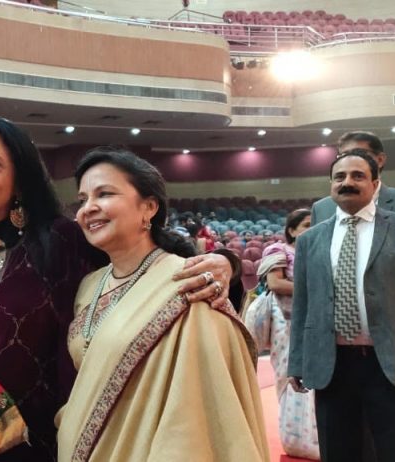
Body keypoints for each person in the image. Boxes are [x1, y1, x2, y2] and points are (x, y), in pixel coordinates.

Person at [0, 120, 236, 461]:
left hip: (56, 440)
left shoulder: (66, 240)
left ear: (20, 176)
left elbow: (147, 260)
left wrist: (225, 262)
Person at [56, 148, 267, 461]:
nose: (88, 208)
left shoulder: (189, 283)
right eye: (83, 199)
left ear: (149, 207)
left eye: (104, 194)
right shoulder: (89, 285)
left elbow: (195, 416)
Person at [288, 152, 395, 461]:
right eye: (339, 177)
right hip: (332, 365)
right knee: (339, 452)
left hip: (391, 364)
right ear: (331, 185)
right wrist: (296, 362)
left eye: (357, 176)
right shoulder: (310, 240)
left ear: (375, 183)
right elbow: (303, 306)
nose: (347, 182)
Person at [311, 131, 395, 288]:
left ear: (380, 160)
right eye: (344, 155)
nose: (351, 159)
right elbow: (314, 268)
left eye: (359, 153)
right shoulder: (322, 209)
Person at [243, 208, 319, 459]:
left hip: (316, 320)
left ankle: (317, 436)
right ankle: (296, 440)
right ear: (292, 230)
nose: (311, 229)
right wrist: (316, 290)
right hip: (286, 321)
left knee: (317, 375)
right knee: (291, 375)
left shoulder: (319, 251)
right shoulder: (278, 250)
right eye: (306, 225)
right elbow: (276, 283)